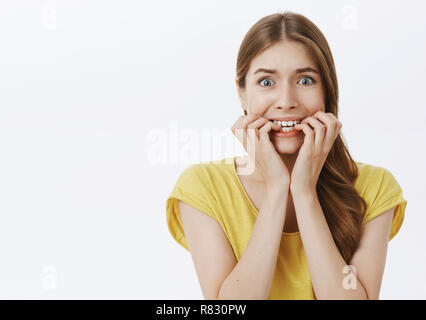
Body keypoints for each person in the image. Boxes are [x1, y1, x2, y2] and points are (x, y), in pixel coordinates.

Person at [165, 11, 407, 300]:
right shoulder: (203, 187)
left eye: (305, 81)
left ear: (328, 91)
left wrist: (304, 192)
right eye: (267, 82)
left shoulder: (375, 186)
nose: (286, 102)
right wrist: (279, 188)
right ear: (242, 94)